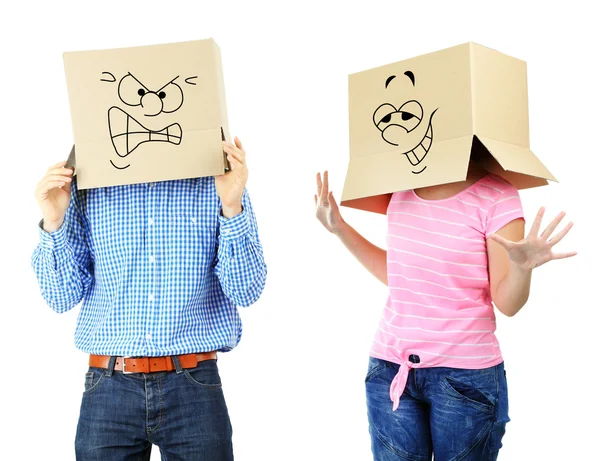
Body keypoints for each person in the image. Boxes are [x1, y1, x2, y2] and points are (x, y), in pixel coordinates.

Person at [314, 161, 575, 461]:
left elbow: (508, 303)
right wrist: (339, 228)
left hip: (464, 380)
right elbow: (399, 275)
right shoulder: (401, 190)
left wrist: (521, 267)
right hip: (391, 371)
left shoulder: (497, 195)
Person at [32, 137, 267, 461]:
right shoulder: (89, 180)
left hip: (194, 384)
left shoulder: (217, 179)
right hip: (109, 385)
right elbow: (60, 297)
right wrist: (54, 221)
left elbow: (247, 289)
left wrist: (231, 205)